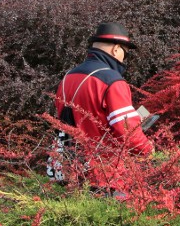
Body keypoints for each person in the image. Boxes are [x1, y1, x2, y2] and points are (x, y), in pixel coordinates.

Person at [54, 22, 152, 155]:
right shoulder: (112, 80)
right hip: (102, 167)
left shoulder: (68, 77)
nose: (124, 59)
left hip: (67, 165)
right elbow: (128, 131)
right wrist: (148, 149)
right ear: (116, 49)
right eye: (126, 54)